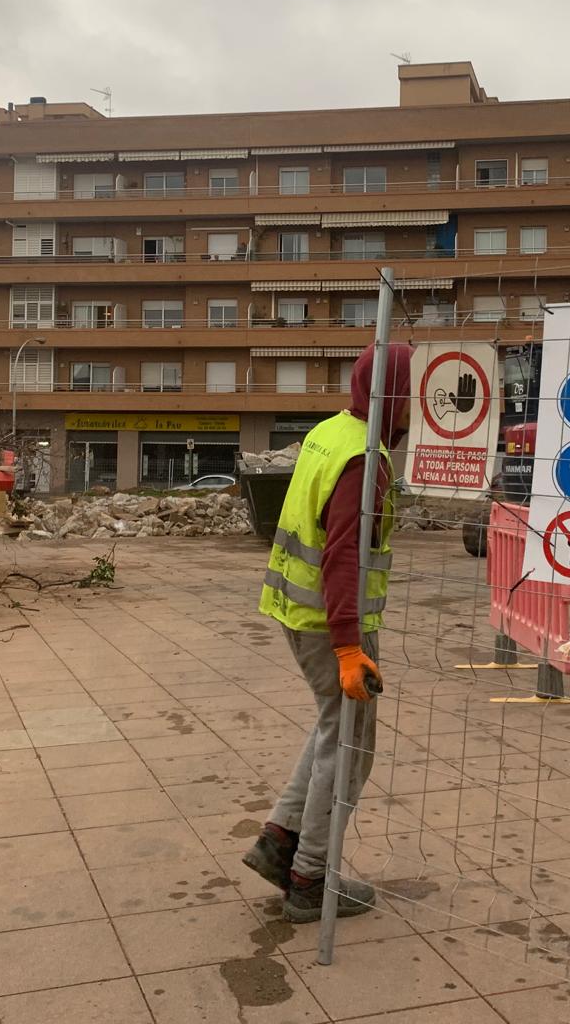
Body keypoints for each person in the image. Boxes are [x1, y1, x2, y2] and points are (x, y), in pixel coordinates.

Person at [244, 341, 413, 923]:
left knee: (332, 732)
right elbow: (342, 555)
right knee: (350, 749)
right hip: (330, 624)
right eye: (417, 391)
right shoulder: (364, 460)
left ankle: (278, 844)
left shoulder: (334, 430)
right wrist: (347, 645)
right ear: (395, 396)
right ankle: (310, 878)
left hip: (303, 612)